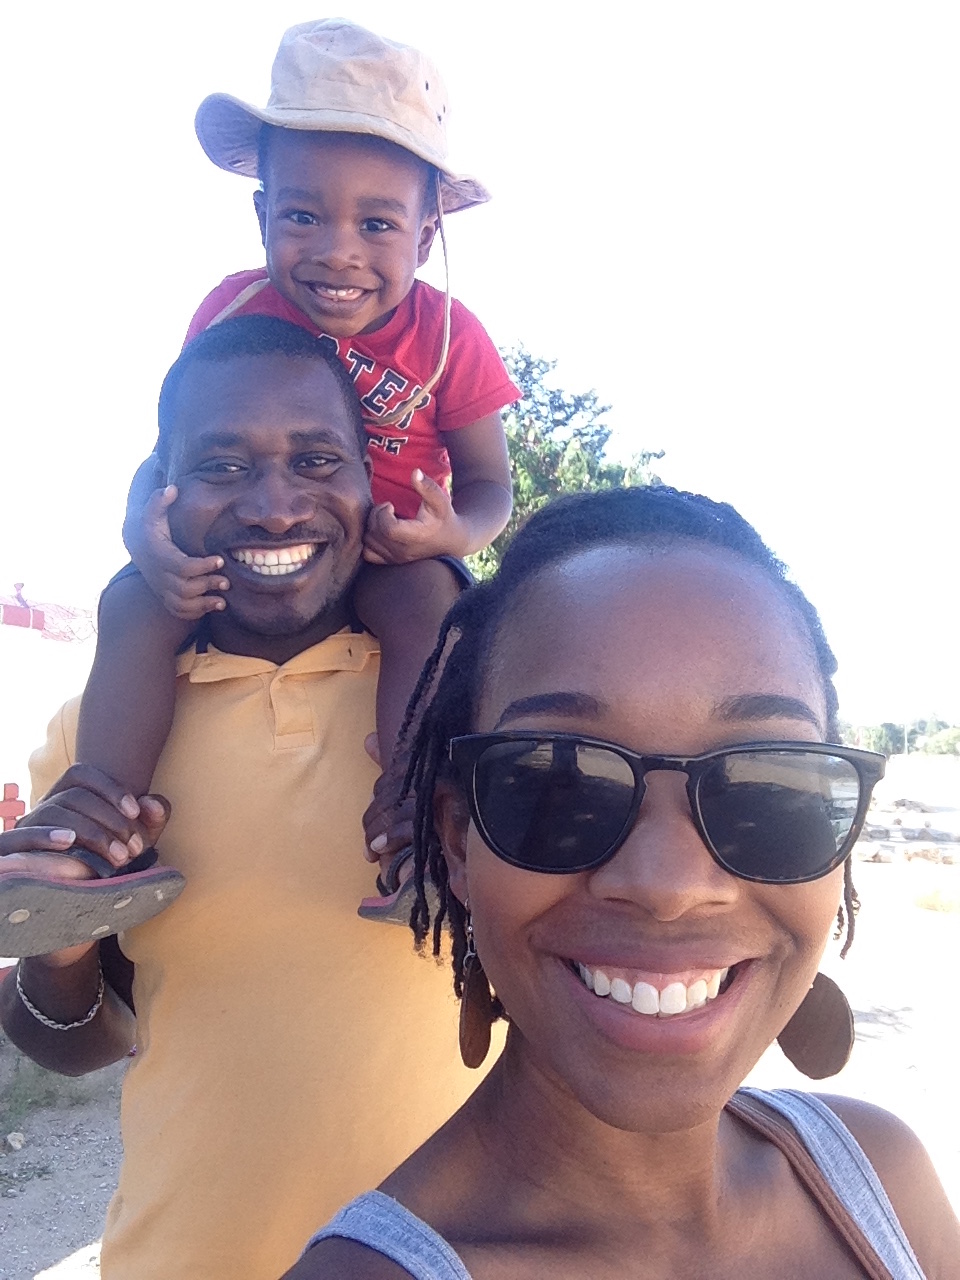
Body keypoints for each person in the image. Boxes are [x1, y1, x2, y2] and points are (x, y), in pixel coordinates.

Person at [288, 487, 960, 1279]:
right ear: (459, 840)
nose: (668, 886)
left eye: (765, 785)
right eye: (559, 782)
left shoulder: (884, 1177)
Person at [1, 18, 517, 952]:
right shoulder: (233, 309)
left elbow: (492, 486)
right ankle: (98, 828)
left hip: (388, 549)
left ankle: (417, 819)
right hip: (244, 561)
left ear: (426, 230)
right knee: (134, 601)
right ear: (261, 214)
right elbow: (176, 447)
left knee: (428, 608)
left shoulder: (452, 337)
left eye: (377, 223)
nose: (337, 251)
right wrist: (144, 534)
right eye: (303, 216)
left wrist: (448, 536)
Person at [0, 317, 500, 1280]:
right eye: (222, 467)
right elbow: (70, 1044)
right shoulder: (105, 729)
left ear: (369, 479)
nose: (275, 509)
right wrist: (59, 949)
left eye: (317, 461)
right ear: (159, 491)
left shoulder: (474, 714)